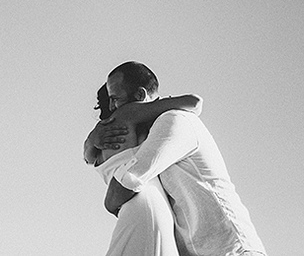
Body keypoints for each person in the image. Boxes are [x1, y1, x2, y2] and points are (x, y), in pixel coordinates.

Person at [89, 61, 267, 256]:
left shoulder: (174, 121)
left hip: (232, 251)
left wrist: (111, 204)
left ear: (140, 96)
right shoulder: (151, 135)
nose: (113, 107)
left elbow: (127, 182)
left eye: (116, 99)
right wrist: (93, 140)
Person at [85, 83, 203, 256]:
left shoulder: (98, 140)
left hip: (130, 203)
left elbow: (88, 157)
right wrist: (163, 102)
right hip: (145, 199)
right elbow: (193, 102)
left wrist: (89, 141)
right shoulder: (128, 113)